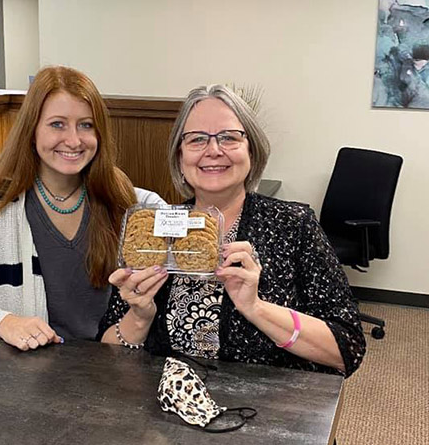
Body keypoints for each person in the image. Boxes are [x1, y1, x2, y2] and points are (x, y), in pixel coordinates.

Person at [98, 84, 366, 381]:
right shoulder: (158, 228)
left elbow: (347, 349)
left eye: (229, 137)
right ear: (179, 157)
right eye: (197, 139)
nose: (214, 150)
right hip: (170, 410)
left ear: (252, 150)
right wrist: (139, 315)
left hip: (266, 414)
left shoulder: (293, 225)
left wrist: (256, 308)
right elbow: (107, 354)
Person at [0, 66, 164, 351]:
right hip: (27, 379)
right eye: (57, 124)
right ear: (31, 130)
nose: (73, 140)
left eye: (86, 125)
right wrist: (3, 322)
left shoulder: (123, 197)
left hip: (107, 372)